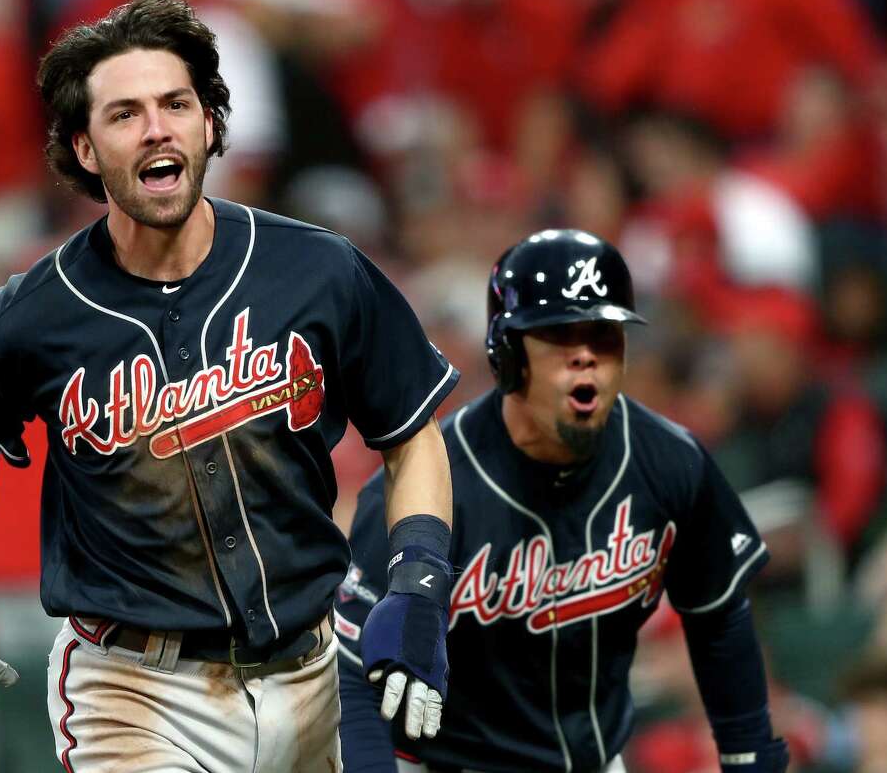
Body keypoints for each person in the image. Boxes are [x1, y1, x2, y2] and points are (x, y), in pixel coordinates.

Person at [0, 0, 460, 773]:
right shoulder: (32, 316)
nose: (158, 126)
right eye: (125, 113)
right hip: (135, 690)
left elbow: (413, 435)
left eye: (176, 104)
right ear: (85, 149)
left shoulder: (318, 268)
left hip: (316, 669)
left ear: (210, 125)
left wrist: (419, 583)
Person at [336, 229, 790, 773]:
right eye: (560, 337)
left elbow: (719, 618)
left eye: (604, 336)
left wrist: (749, 755)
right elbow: (349, 675)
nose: (586, 359)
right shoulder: (428, 481)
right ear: (506, 355)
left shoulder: (670, 461)